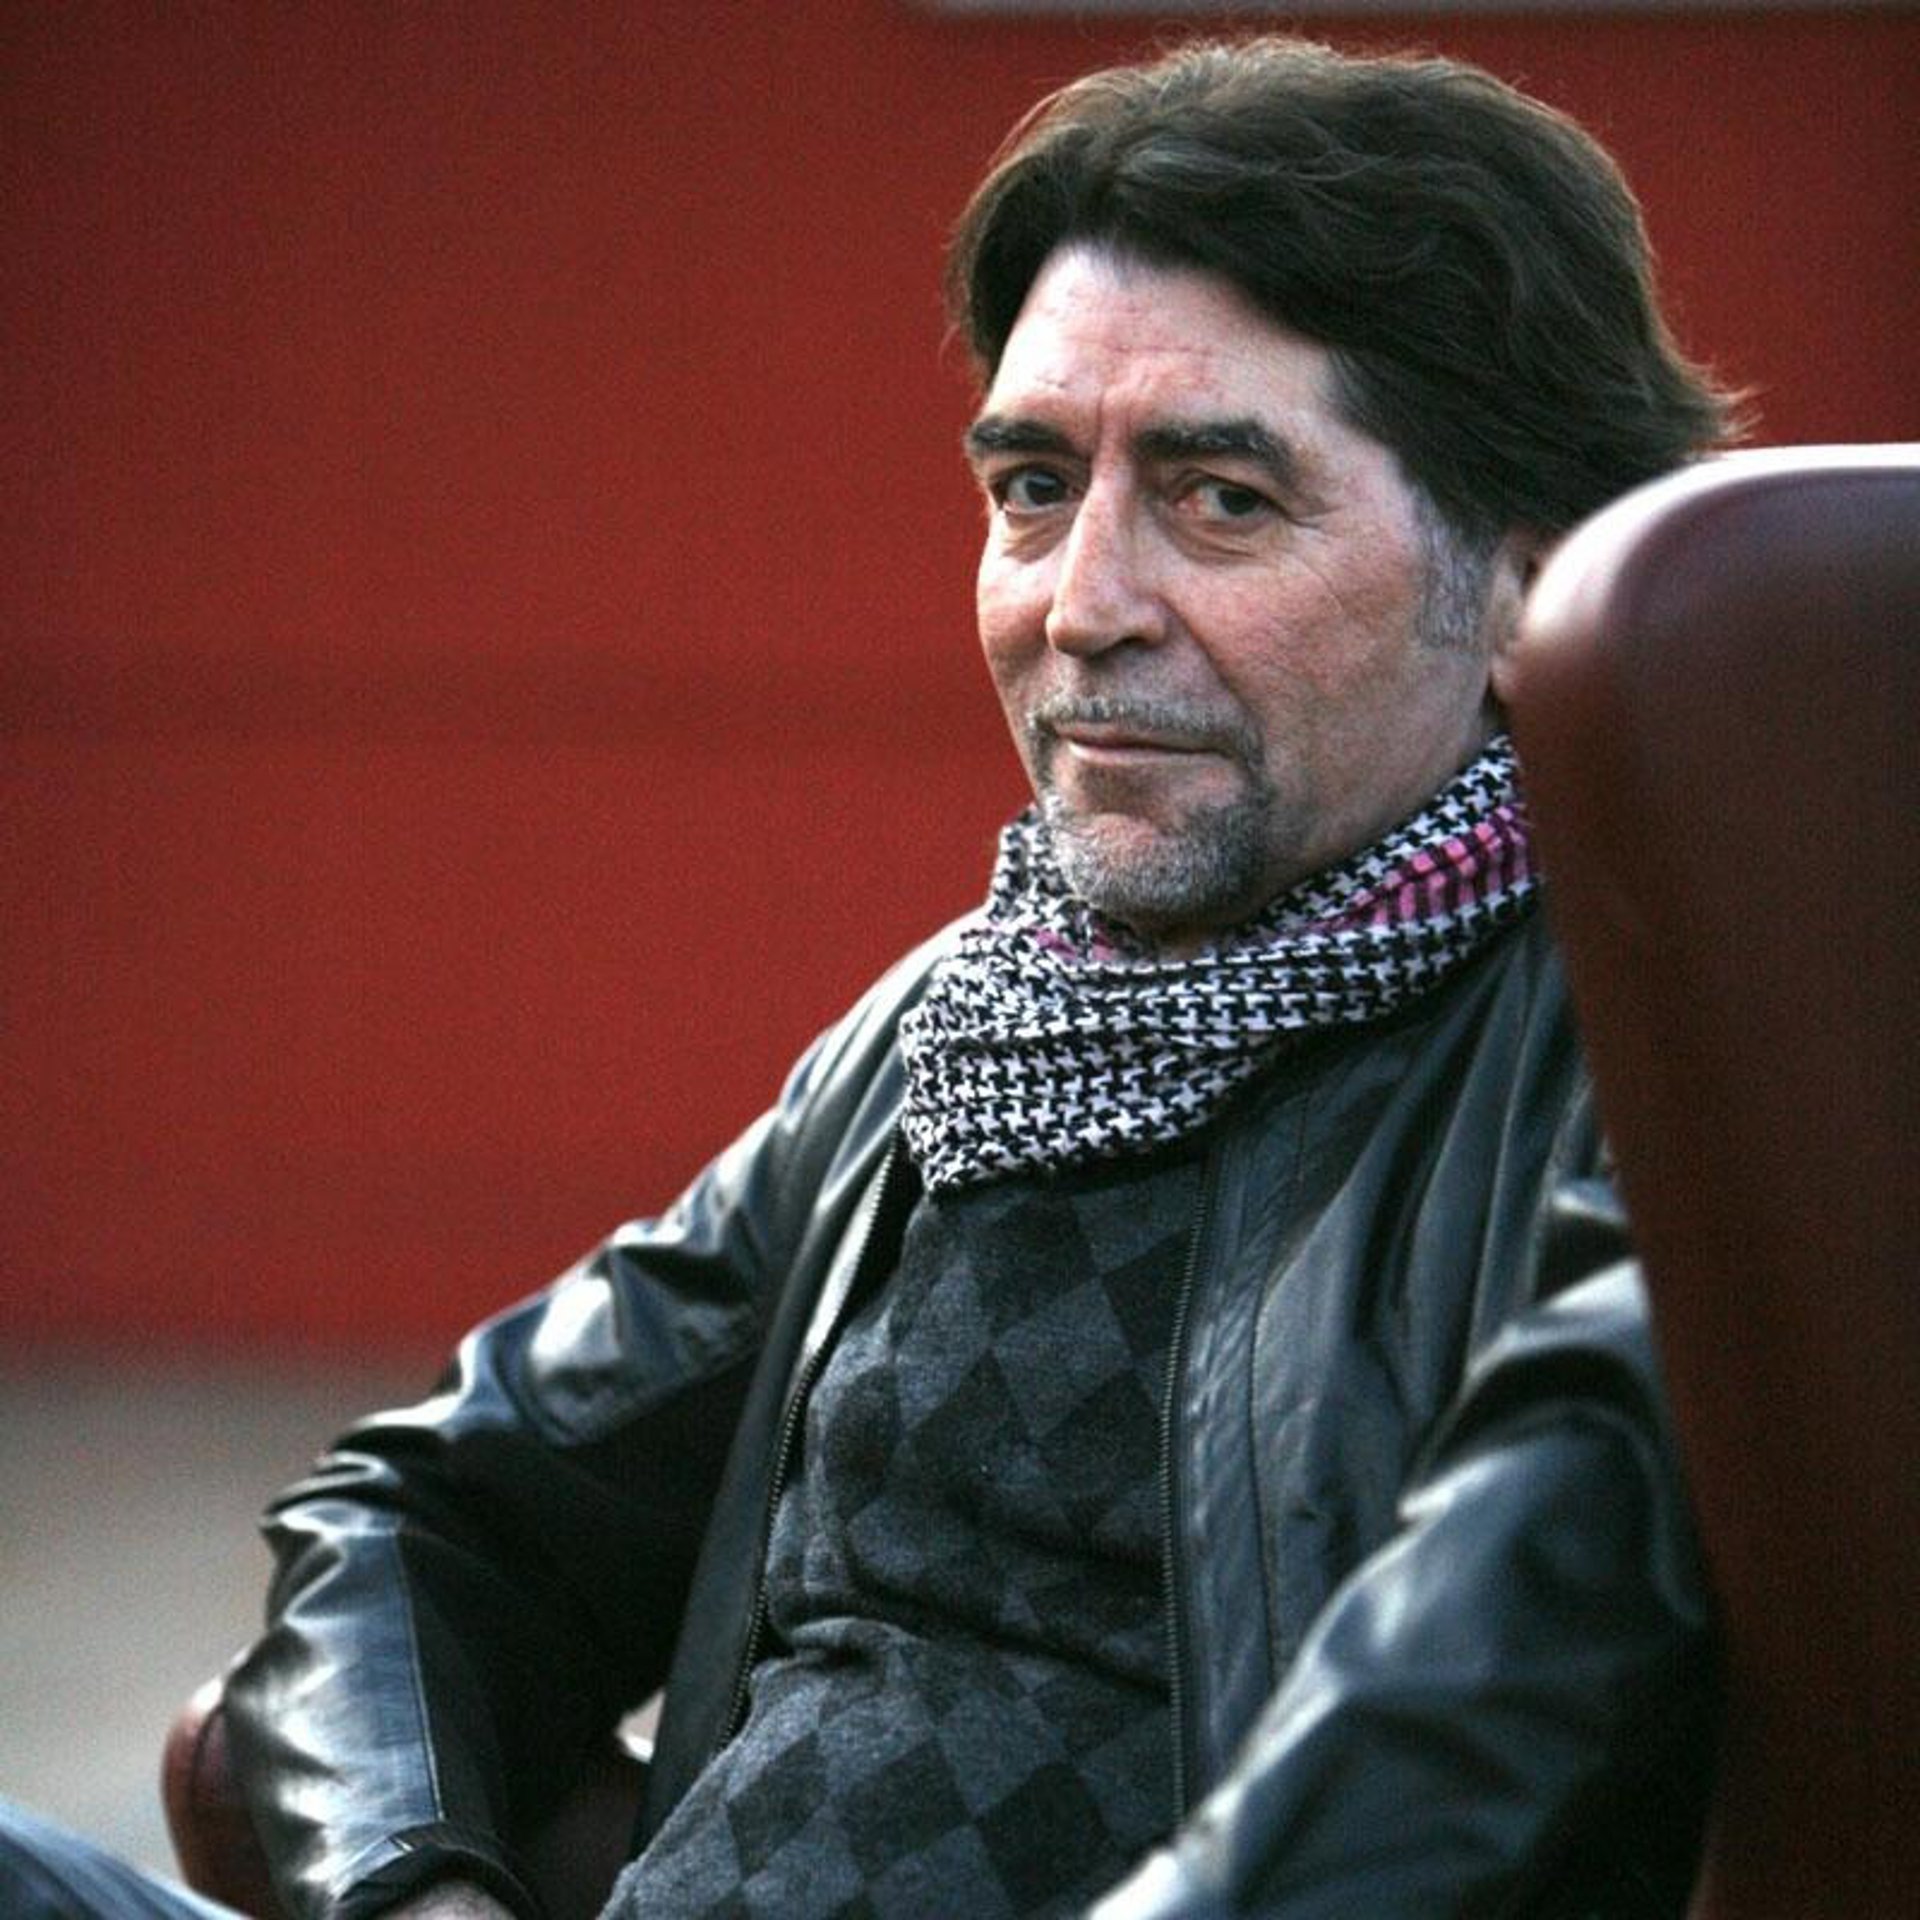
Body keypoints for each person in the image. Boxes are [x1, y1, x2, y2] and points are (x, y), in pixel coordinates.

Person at [2, 32, 1739, 1920]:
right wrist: (420, 1895)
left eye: (1222, 498)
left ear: (1528, 582)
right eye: (1033, 485)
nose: (1079, 604)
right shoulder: (964, 1033)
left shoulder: (1668, 1060)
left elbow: (1480, 1728)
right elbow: (429, 1518)